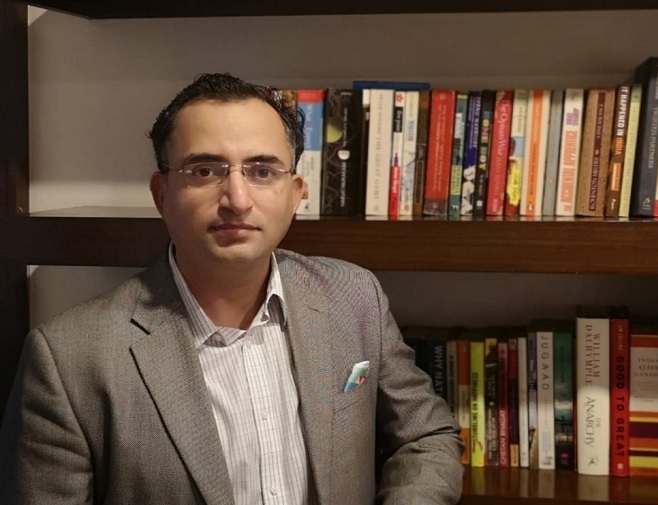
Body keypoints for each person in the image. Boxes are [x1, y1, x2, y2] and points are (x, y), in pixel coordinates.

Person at [0, 73, 464, 505]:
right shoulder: (68, 358)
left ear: (295, 193)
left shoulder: (353, 297)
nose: (237, 199)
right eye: (205, 171)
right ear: (162, 194)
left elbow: (425, 437)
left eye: (262, 171)